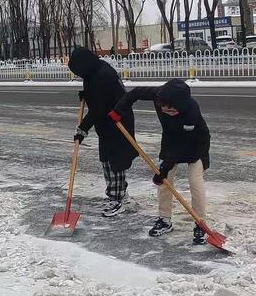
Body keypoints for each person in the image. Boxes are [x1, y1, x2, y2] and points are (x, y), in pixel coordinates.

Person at [110, 78, 210, 244]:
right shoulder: (159, 95)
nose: (169, 113)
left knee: (195, 182)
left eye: (173, 111)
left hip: (195, 143)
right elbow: (134, 94)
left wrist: (164, 167)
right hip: (170, 140)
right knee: (165, 182)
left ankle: (201, 224)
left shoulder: (191, 111)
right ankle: (164, 219)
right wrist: (119, 110)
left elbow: (182, 144)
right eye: (166, 110)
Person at [68, 47, 137, 217]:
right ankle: (118, 195)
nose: (79, 75)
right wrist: (88, 93)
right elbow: (100, 95)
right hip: (108, 124)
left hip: (117, 122)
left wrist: (82, 130)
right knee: (107, 160)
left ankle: (119, 199)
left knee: (116, 162)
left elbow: (97, 109)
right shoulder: (96, 70)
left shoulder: (101, 76)